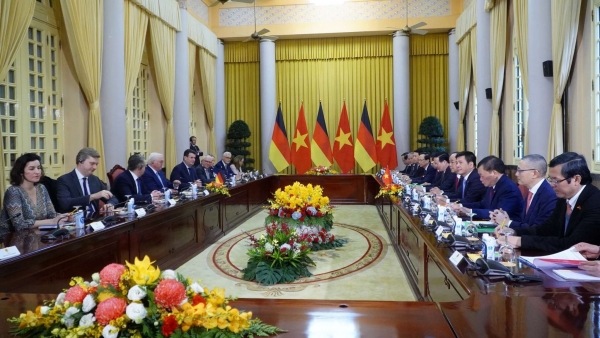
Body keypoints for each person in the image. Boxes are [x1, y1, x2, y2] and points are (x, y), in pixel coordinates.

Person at [496, 152, 600, 253]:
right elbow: (546, 229)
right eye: (550, 179)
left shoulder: (595, 202)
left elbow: (571, 245)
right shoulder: (563, 198)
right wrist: (514, 232)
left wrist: (520, 241)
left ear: (576, 179)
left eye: (556, 180)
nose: (551, 185)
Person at [0, 153, 71, 234]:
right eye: (31, 169)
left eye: (38, 168)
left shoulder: (41, 188)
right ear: (21, 172)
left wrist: (64, 217)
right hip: (11, 238)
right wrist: (51, 221)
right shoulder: (13, 191)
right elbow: (19, 224)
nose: (37, 172)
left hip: (36, 234)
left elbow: (52, 214)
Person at [490, 154, 557, 228]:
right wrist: (507, 225)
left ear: (534, 173)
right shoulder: (531, 191)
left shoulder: (549, 195)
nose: (516, 174)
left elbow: (538, 228)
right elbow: (524, 221)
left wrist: (508, 222)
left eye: (520, 170)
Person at [454, 156, 523, 220]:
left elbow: (498, 214)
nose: (480, 179)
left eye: (482, 176)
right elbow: (483, 204)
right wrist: (460, 206)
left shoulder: (508, 188)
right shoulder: (493, 183)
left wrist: (470, 211)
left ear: (494, 173)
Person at [56, 147, 118, 214]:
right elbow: (65, 203)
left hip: (95, 218)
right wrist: (92, 197)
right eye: (92, 164)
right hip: (76, 220)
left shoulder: (95, 179)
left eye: (96, 164)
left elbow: (113, 198)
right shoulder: (64, 180)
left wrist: (110, 204)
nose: (95, 167)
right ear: (80, 161)